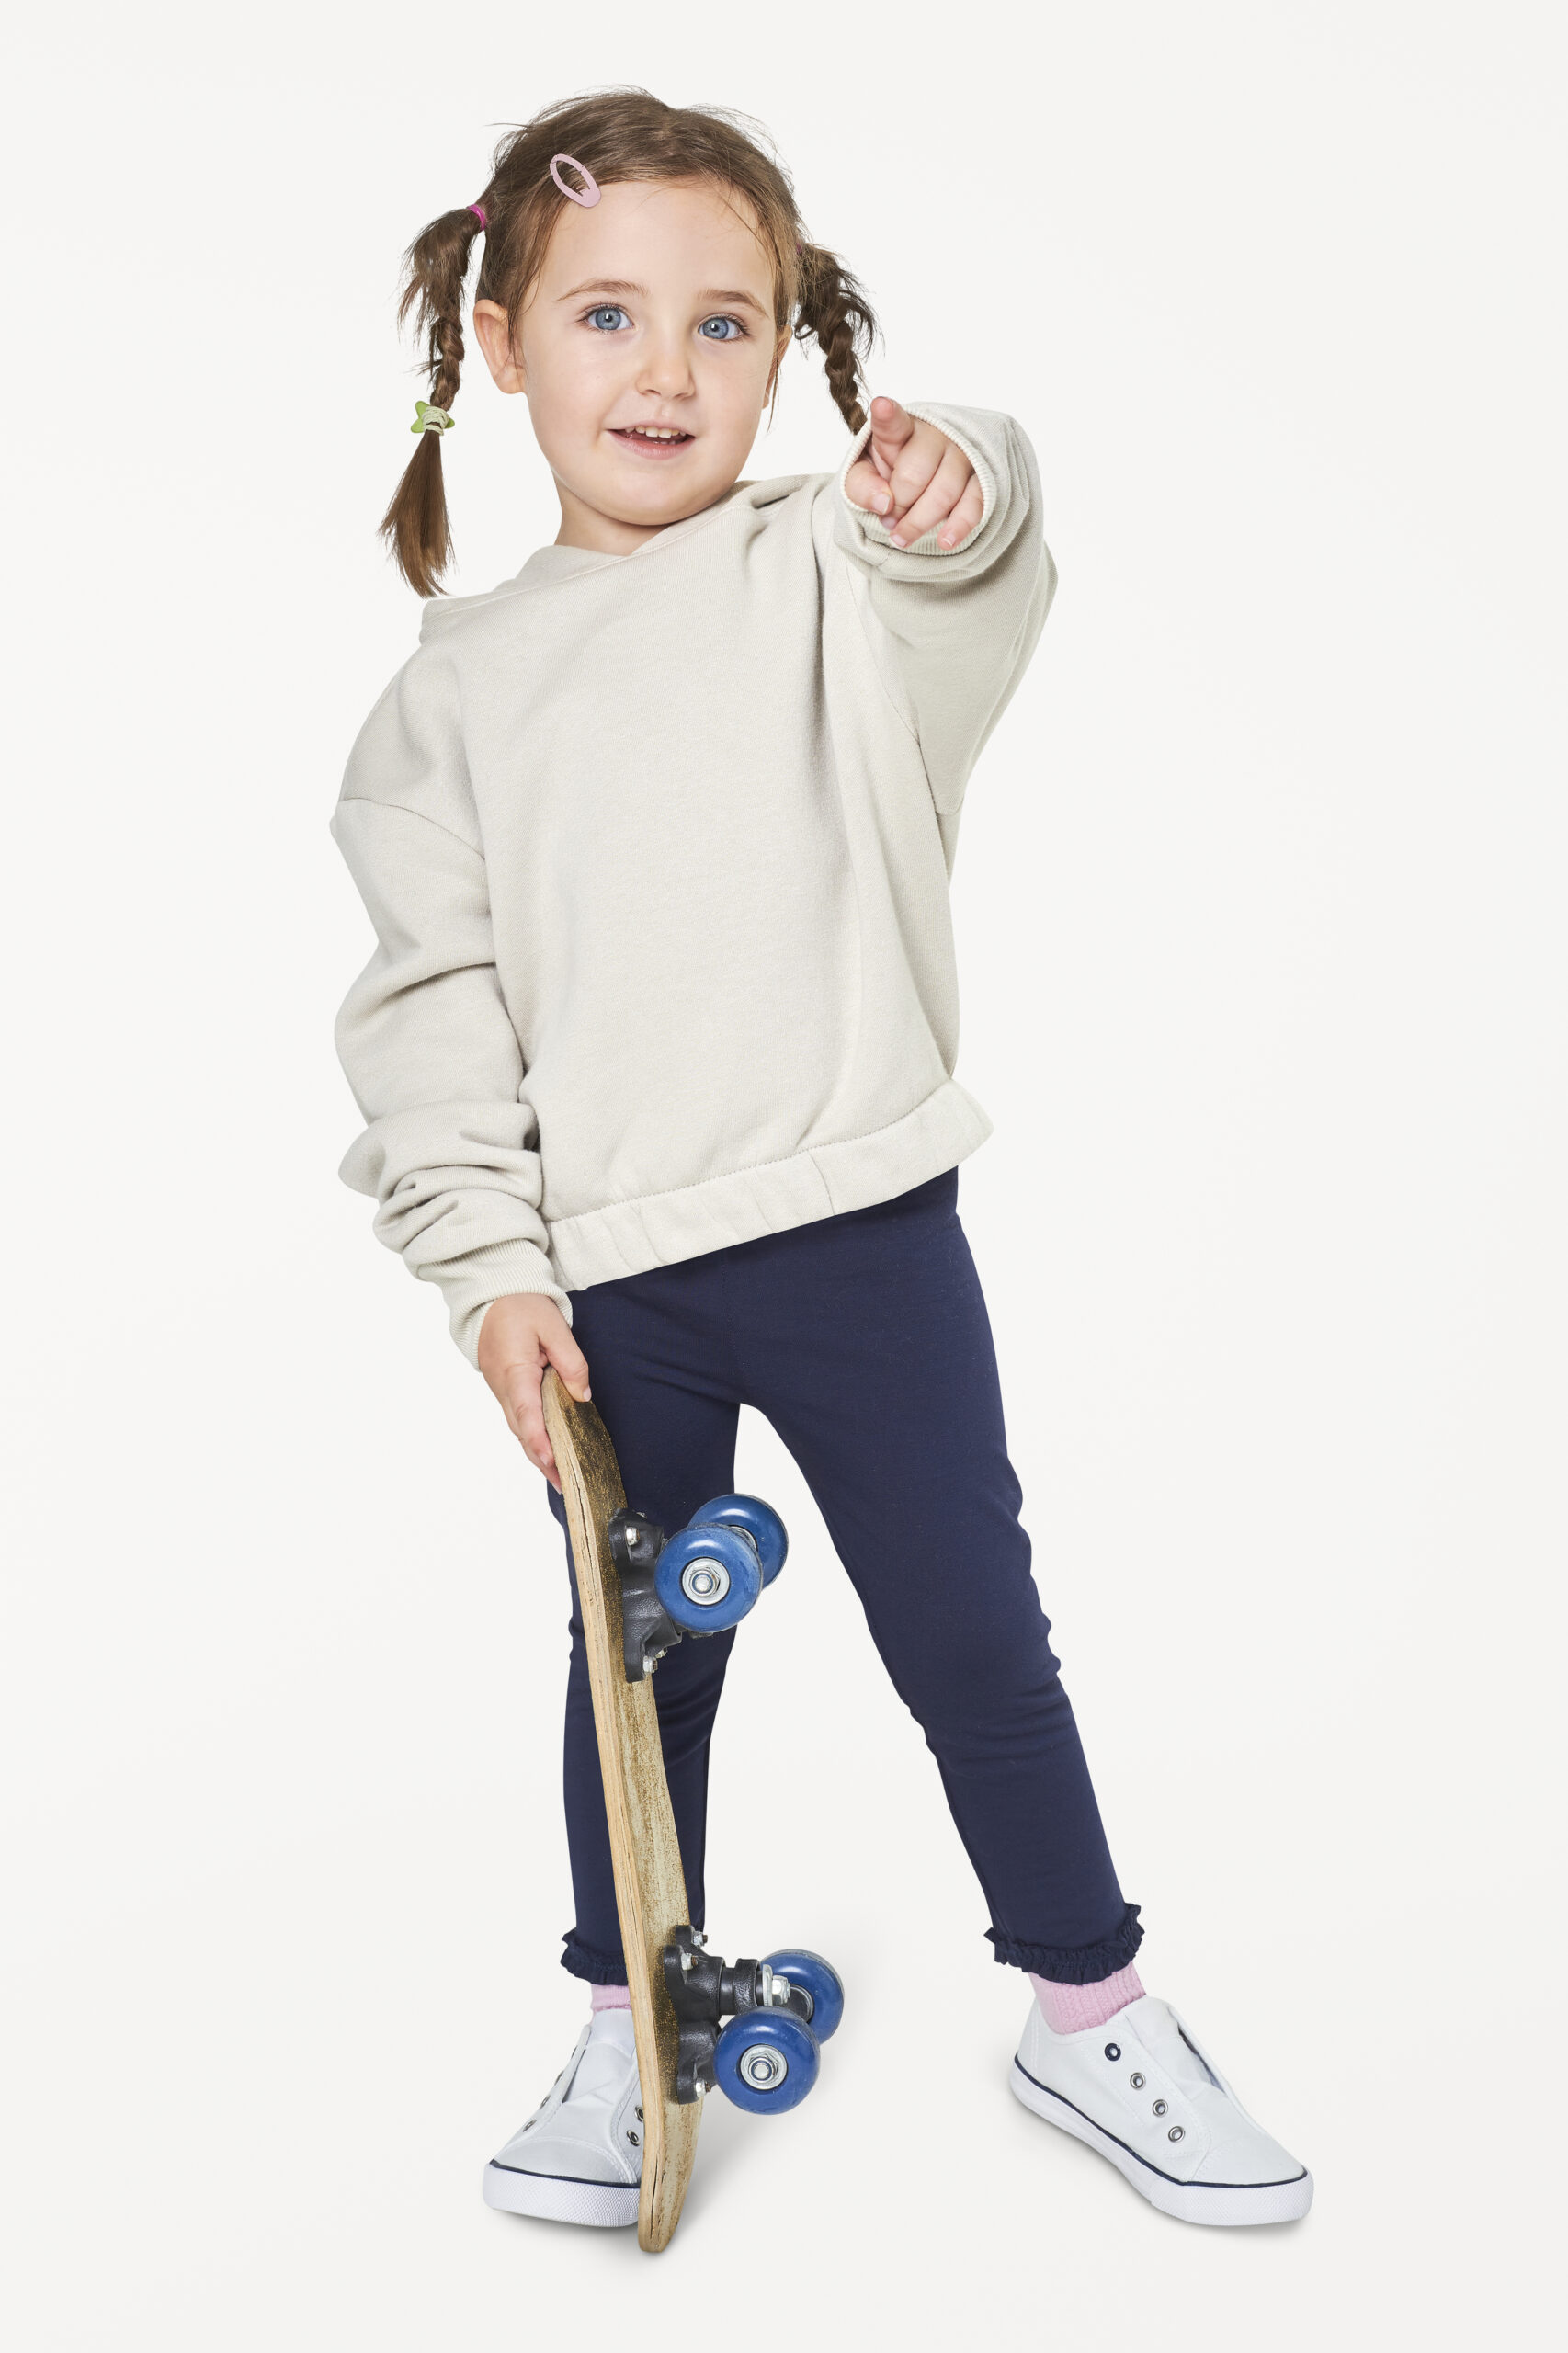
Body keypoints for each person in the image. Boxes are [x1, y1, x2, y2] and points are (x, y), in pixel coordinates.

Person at [331, 87, 1312, 2232]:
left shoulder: (827, 577)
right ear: (499, 342)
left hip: (865, 1228)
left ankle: (1090, 2007)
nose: (664, 370)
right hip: (612, 1279)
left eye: (725, 322)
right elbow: (433, 1022)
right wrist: (491, 1274)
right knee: (631, 1673)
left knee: (972, 1630)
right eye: (604, 315)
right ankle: (622, 2024)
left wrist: (955, 474)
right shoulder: (450, 698)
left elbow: (967, 553)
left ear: (793, 350)